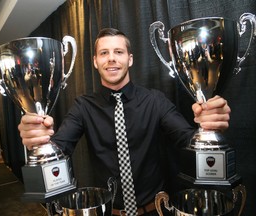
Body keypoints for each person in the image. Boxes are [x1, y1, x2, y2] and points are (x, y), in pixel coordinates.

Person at [18, 28, 231, 216]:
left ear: (130, 59)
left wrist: (208, 127)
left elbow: (186, 138)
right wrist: (38, 141)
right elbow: (60, 148)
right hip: (107, 212)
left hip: (154, 211)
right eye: (104, 53)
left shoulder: (155, 100)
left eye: (118, 52)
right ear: (95, 61)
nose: (111, 58)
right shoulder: (83, 106)